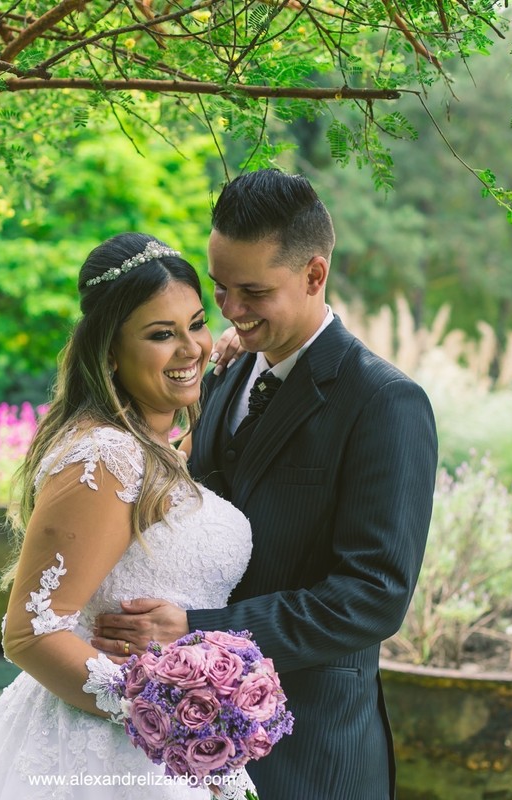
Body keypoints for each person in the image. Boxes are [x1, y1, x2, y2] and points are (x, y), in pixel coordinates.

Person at [93, 170, 438, 799]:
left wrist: (197, 629)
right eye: (221, 288)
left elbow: (373, 596)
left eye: (253, 291)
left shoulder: (384, 402)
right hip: (186, 745)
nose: (230, 310)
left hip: (313, 747)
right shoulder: (223, 372)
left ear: (314, 275)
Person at [0, 232, 256, 799]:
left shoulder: (155, 450)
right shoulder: (105, 455)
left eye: (196, 324)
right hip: (106, 754)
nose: (190, 348)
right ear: (110, 352)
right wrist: (168, 714)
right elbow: (29, 633)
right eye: (160, 334)